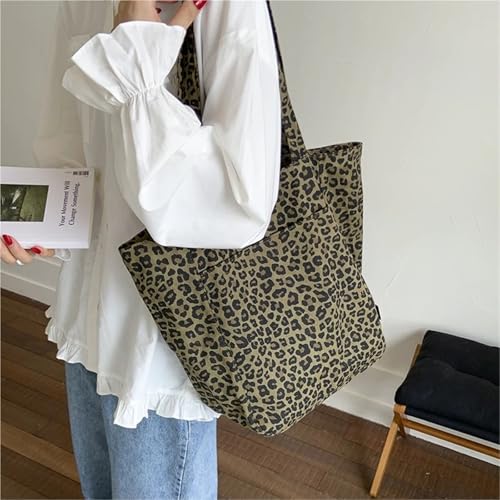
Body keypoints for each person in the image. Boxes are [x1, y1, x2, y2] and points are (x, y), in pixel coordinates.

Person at [1, 0, 281, 497]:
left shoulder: (227, 7)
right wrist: (31, 222)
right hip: (86, 316)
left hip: (163, 340)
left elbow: (240, 205)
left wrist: (138, 55)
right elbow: (70, 148)